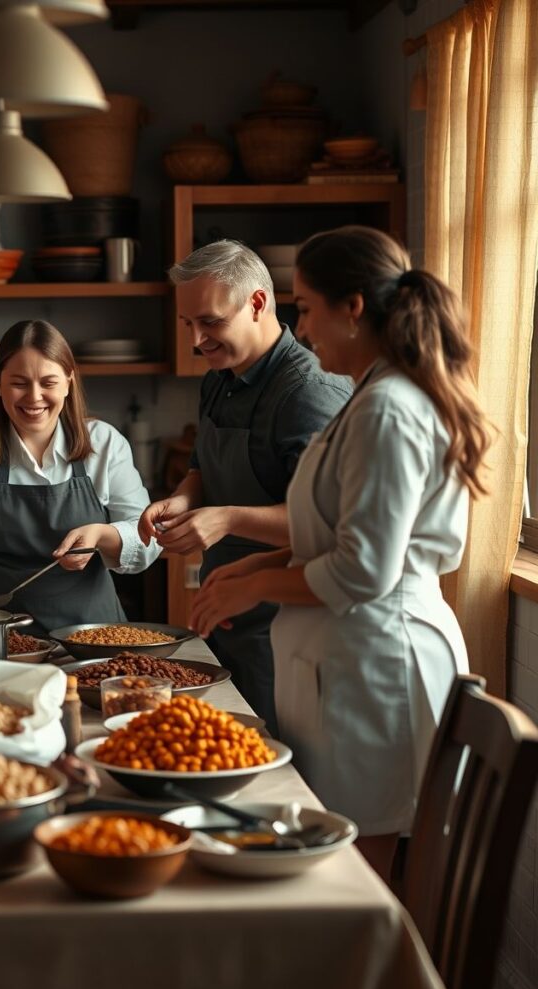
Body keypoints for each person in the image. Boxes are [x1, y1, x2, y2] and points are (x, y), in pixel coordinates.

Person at [188, 226, 490, 880]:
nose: (302, 324)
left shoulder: (387, 409)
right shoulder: (370, 398)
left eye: (305, 307)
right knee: (343, 860)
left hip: (381, 663)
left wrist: (258, 586)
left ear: (352, 308)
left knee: (357, 873)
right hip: (349, 661)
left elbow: (365, 569)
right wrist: (258, 565)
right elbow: (339, 531)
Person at [138, 240, 351, 734]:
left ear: (257, 303)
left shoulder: (309, 393)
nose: (196, 341)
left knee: (279, 768)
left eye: (210, 322)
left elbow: (329, 527)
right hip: (227, 610)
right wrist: (182, 500)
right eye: (188, 325)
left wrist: (227, 518)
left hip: (289, 624)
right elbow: (202, 470)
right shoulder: (219, 376)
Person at [0, 319, 158, 631]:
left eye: (48, 383)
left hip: (93, 634)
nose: (34, 397)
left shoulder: (104, 443)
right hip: (1, 638)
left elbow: (147, 542)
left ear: (68, 381)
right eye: (19, 383)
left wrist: (101, 536)